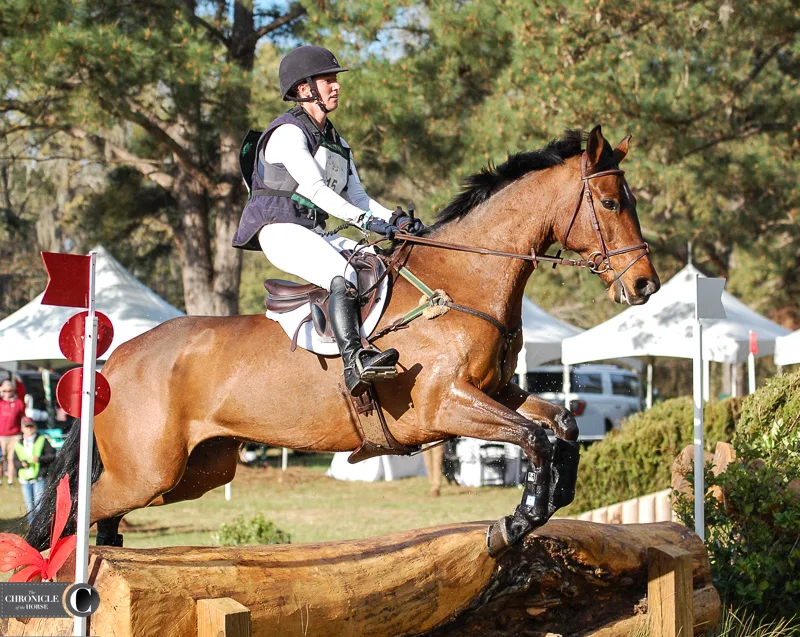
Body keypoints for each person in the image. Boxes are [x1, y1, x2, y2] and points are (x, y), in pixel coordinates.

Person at [232, 45, 425, 397]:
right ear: (305, 89)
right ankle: (355, 364)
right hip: (279, 230)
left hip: (312, 231)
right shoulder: (288, 134)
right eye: (327, 79)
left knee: (379, 263)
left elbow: (360, 199)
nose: (336, 86)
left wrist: (395, 220)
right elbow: (318, 191)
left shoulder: (337, 141)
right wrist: (369, 222)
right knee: (345, 275)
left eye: (335, 79)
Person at [14, 418, 56, 523]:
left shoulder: (42, 439)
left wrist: (39, 459)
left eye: (31, 427)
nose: (29, 429)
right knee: (29, 507)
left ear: (35, 427)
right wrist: (21, 464)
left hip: (39, 477)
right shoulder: (19, 443)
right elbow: (14, 460)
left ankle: (40, 526)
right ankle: (33, 528)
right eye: (26, 427)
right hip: (25, 479)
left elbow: (52, 456)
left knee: (39, 506)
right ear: (22, 429)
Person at [0, 378, 24, 487]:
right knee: (1, 458)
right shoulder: (1, 402)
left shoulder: (18, 402)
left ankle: (10, 479)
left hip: (14, 435)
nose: (7, 393)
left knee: (11, 459)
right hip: (1, 435)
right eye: (4, 391)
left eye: (9, 391)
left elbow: (22, 417)